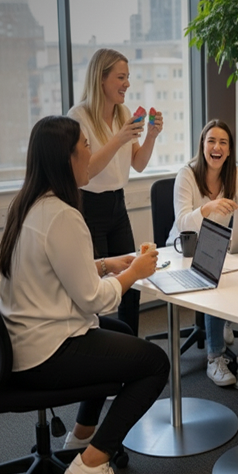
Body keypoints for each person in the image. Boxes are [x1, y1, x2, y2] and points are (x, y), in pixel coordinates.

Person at [0, 116, 170, 474]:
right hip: (44, 353)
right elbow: (95, 301)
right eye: (86, 148)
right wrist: (133, 273)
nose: (92, 155)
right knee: (155, 363)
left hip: (22, 340)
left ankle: (81, 436)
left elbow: (56, 272)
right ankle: (93, 463)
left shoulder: (28, 204)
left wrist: (108, 263)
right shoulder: (63, 215)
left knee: (122, 331)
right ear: (66, 159)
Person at [67, 48, 164, 336]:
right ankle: (92, 345)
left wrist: (152, 137)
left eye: (128, 77)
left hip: (117, 207)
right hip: (89, 207)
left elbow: (139, 163)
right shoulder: (78, 116)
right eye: (121, 77)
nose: (127, 84)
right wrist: (118, 137)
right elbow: (85, 172)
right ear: (101, 80)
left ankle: (129, 344)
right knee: (92, 287)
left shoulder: (122, 112)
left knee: (132, 280)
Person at [168, 119, 238, 386]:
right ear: (202, 146)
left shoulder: (235, 174)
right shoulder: (187, 175)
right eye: (211, 141)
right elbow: (183, 221)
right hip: (183, 249)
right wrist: (208, 208)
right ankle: (214, 357)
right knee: (214, 281)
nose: (217, 147)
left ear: (229, 151)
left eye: (223, 143)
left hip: (217, 245)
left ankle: (224, 320)